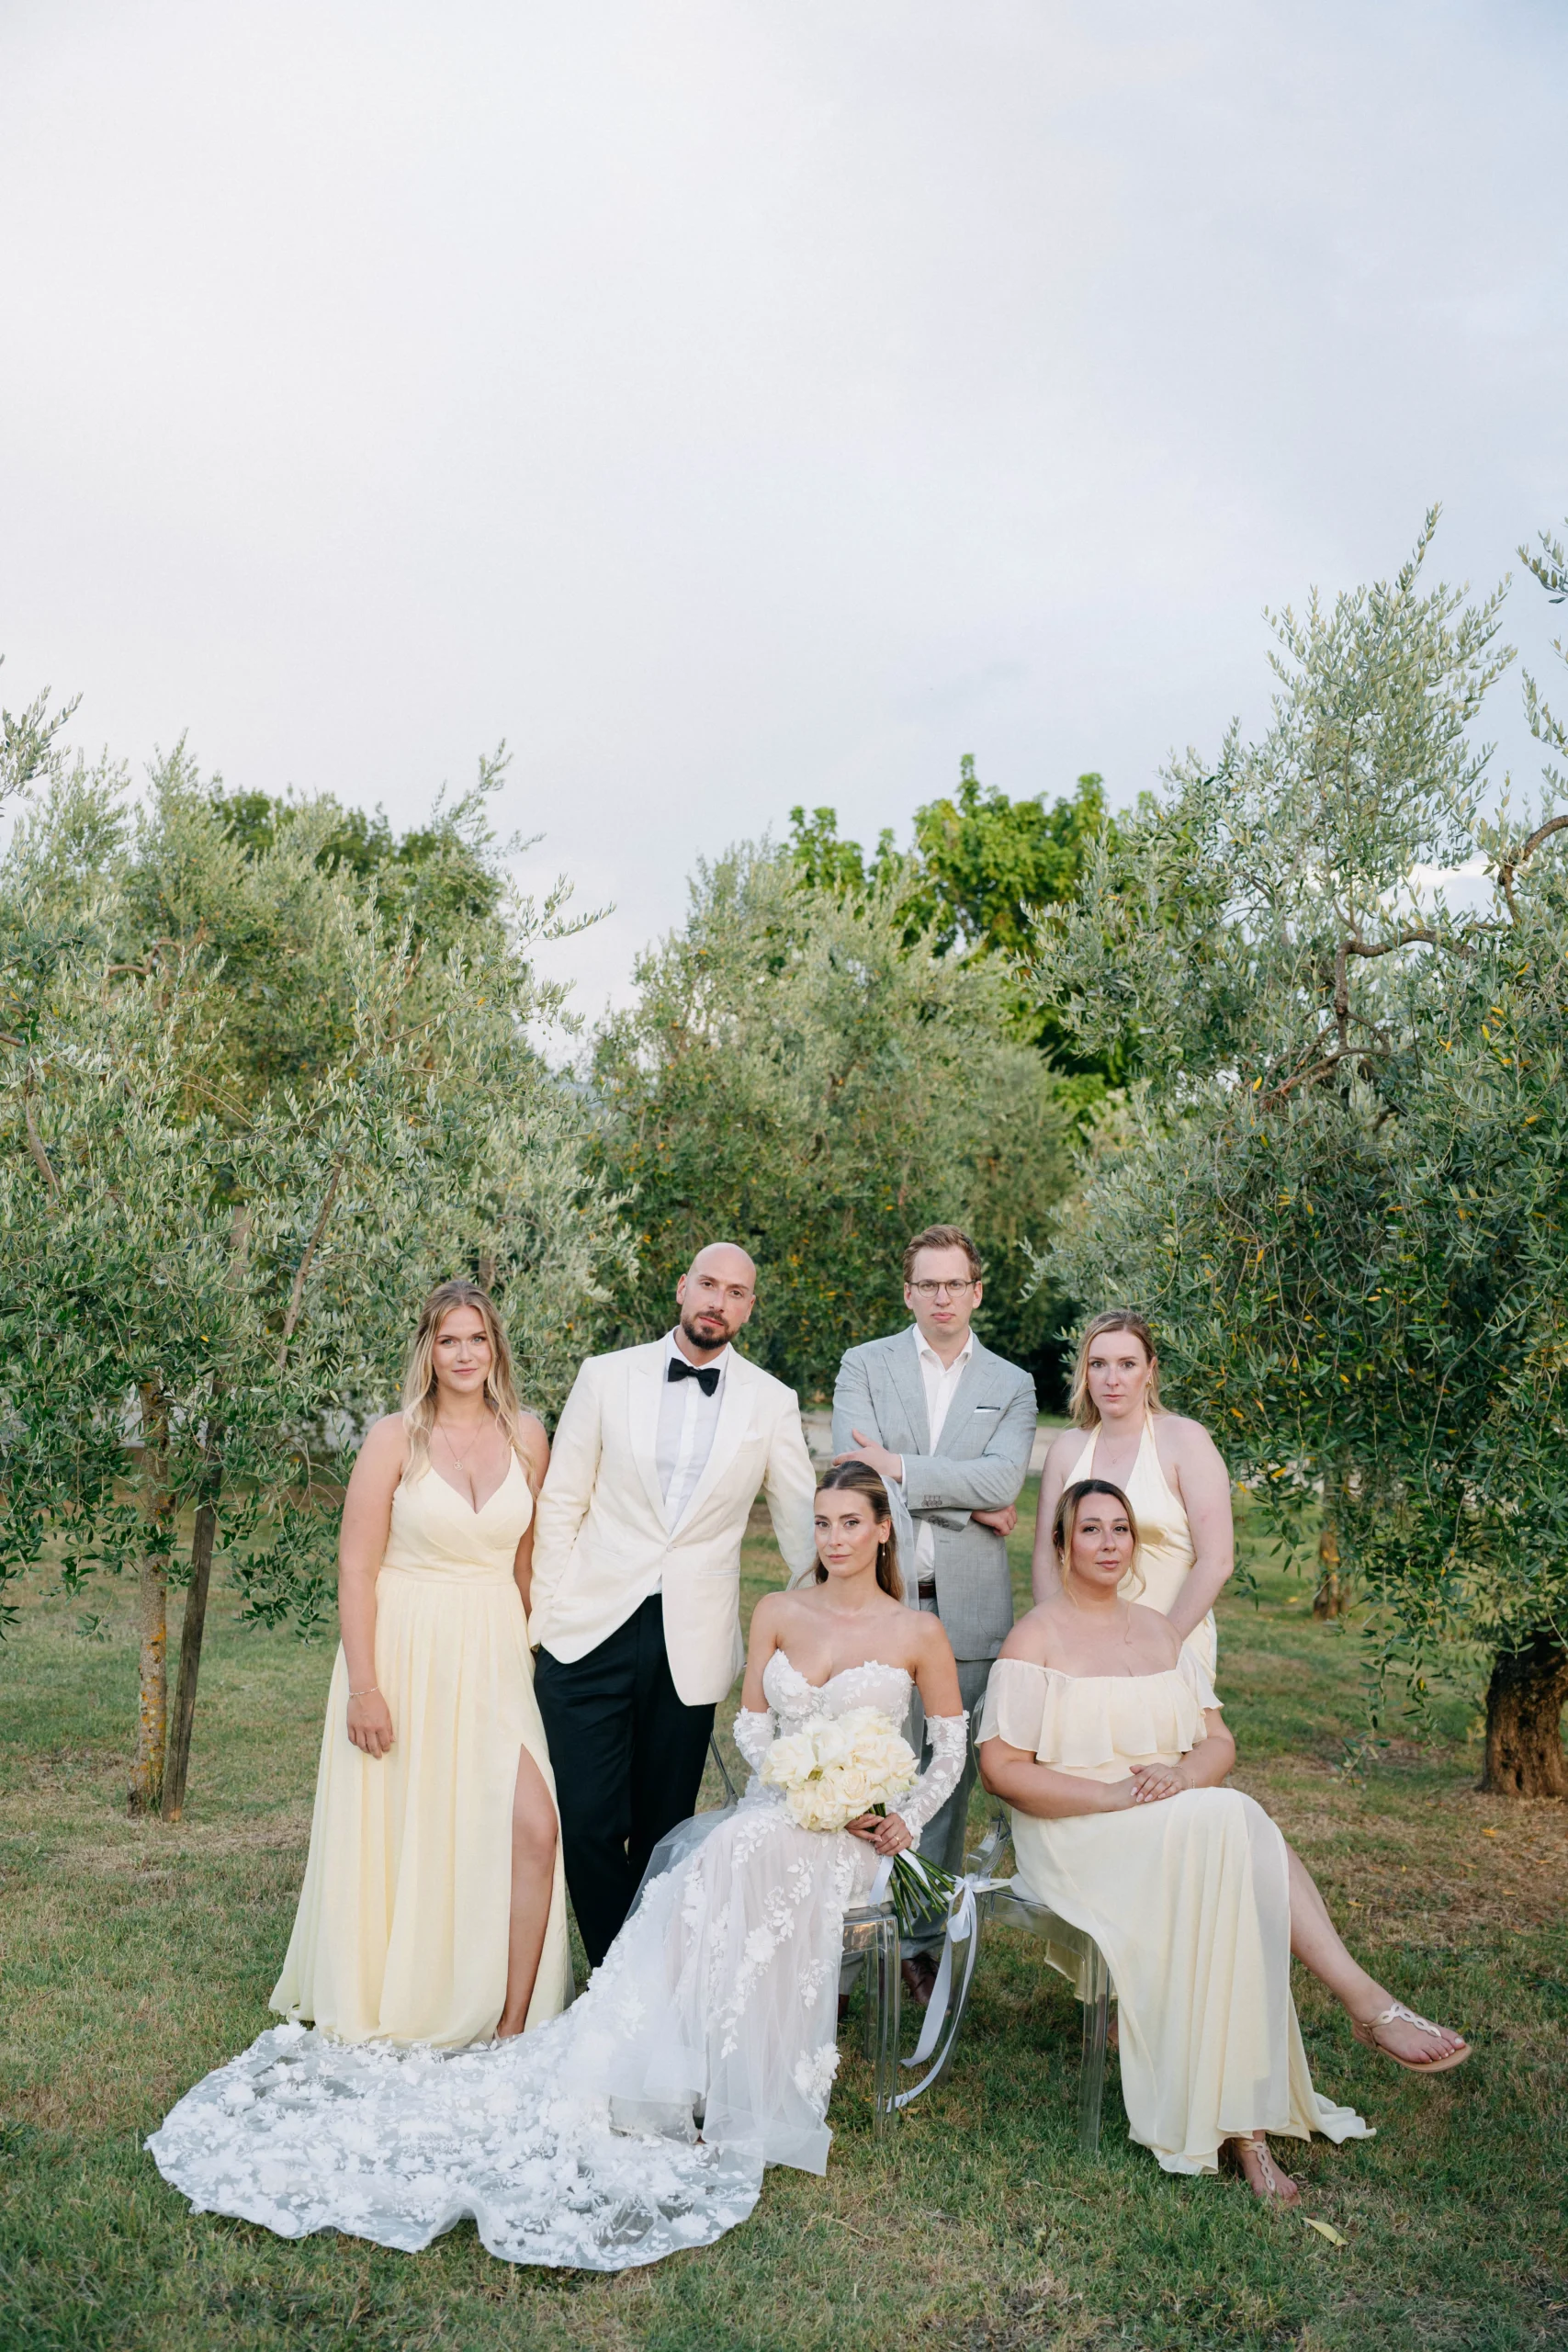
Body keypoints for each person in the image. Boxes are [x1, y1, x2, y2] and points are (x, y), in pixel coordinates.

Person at [147, 1463, 968, 2270]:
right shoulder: (780, 1610)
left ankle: (730, 2090)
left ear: (884, 1528)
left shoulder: (917, 1632)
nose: (834, 1538)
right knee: (726, 1851)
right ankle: (689, 2072)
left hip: (862, 1844)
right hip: (784, 1809)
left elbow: (948, 1750)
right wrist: (801, 1781)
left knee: (737, 1853)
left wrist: (897, 1819)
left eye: (850, 1523)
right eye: (822, 1523)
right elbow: (752, 1728)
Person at [979, 1478, 1471, 2201]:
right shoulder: (1037, 1638)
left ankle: (1249, 2126)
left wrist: (1180, 1775)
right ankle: (1359, 2010)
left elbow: (1217, 1742)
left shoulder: (1159, 1632)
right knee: (1234, 1823)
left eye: (1120, 1528)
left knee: (1227, 1824)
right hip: (1078, 1833)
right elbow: (1001, 1770)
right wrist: (1115, 1794)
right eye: (1090, 1530)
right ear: (1060, 1544)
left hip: (1172, 1821)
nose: (1109, 1543)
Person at [280, 1280, 570, 2046]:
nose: (465, 1354)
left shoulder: (529, 1437)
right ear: (428, 1351)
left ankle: (513, 2019)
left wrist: (541, 1659)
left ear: (496, 1347)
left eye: (477, 1339)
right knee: (403, 1828)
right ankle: (400, 1991)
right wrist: (364, 1688)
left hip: (496, 1648)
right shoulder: (393, 1438)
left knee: (533, 1826)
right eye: (449, 1340)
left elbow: (529, 1565)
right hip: (402, 1647)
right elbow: (354, 1568)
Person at [529, 1242, 818, 1966]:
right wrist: (546, 1619)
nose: (719, 1301)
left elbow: (797, 1521)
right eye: (709, 1285)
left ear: (749, 1308)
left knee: (662, 1829)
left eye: (738, 1292)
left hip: (690, 1642)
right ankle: (613, 1977)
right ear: (682, 1288)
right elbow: (561, 1502)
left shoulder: (771, 1402)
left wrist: (824, 1622)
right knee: (589, 1821)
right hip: (586, 1631)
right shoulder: (605, 1376)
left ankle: (642, 1984)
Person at [831, 1224, 1035, 2003]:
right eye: (928, 1284)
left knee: (941, 1787)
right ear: (908, 1291)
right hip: (874, 1609)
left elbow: (1003, 1478)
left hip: (967, 1616)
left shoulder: (1011, 1383)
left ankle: (919, 1940)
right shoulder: (865, 1364)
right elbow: (855, 1475)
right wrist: (969, 1498)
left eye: (956, 1284)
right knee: (862, 1768)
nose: (942, 1297)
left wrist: (906, 1472)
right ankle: (846, 1932)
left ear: (976, 1291)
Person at [1032, 1311, 1231, 1680]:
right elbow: (1046, 1559)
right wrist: (1058, 1640)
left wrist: (1162, 1644)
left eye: (1127, 1364)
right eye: (1098, 1365)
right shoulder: (1066, 1450)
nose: (1112, 1380)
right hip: (1082, 1649)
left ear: (1150, 1370)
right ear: (1084, 1374)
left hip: (1172, 1641)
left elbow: (1217, 1561)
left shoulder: (1185, 1440)